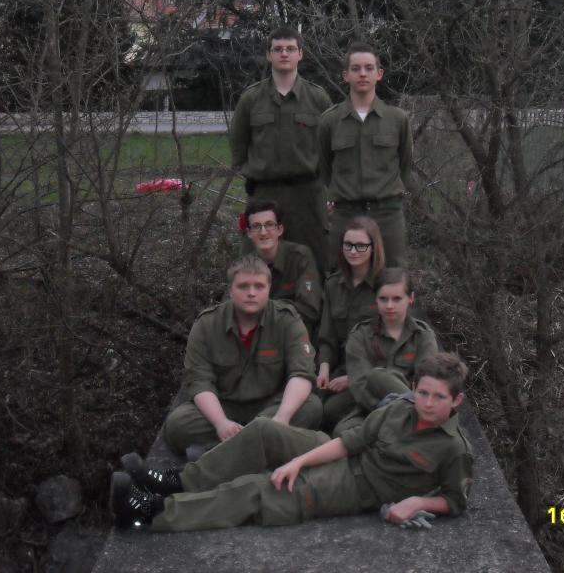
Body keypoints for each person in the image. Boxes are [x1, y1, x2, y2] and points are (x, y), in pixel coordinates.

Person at [110, 352, 473, 531]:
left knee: (260, 489)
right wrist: (299, 460)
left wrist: (417, 502)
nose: (427, 403)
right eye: (422, 392)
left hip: (356, 488)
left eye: (439, 397)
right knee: (264, 431)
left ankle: (151, 512)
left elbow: (456, 500)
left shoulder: (453, 448)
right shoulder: (399, 410)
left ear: (456, 400)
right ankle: (178, 481)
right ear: (413, 388)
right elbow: (349, 442)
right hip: (344, 457)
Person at [162, 255, 323, 455]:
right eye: (243, 286)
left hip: (271, 406)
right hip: (225, 407)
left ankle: (222, 452)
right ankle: (261, 446)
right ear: (230, 290)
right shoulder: (206, 324)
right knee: (178, 424)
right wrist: (221, 423)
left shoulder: (287, 320)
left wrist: (281, 418)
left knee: (312, 407)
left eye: (259, 286)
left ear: (269, 288)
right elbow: (199, 381)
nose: (251, 293)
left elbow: (302, 373)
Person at [231, 26, 332, 274]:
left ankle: (311, 299)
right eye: (277, 49)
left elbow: (331, 149)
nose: (284, 54)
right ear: (269, 55)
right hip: (264, 193)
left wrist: (328, 190)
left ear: (300, 54)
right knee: (255, 263)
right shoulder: (251, 99)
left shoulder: (318, 98)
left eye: (290, 49)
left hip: (308, 196)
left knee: (315, 261)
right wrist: (254, 174)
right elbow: (238, 147)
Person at [319, 42, 413, 268]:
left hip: (387, 215)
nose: (362, 74)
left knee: (392, 275)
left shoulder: (397, 119)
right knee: (340, 276)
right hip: (345, 214)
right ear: (346, 75)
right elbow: (324, 169)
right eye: (356, 68)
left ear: (379, 74)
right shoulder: (330, 121)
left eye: (369, 68)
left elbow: (404, 165)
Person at [332, 268, 439, 436]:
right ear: (376, 299)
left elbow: (426, 383)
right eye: (383, 299)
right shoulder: (360, 334)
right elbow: (359, 384)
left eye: (397, 299)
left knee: (379, 377)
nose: (389, 306)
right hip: (373, 407)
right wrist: (383, 408)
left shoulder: (423, 336)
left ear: (410, 298)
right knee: (342, 432)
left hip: (415, 410)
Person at [316, 216, 385, 431]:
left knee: (330, 411)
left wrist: (352, 378)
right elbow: (327, 336)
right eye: (348, 245)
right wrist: (324, 368)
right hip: (338, 368)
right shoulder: (333, 285)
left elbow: (392, 345)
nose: (353, 251)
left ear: (374, 247)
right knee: (310, 402)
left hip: (372, 372)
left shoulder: (385, 287)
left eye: (361, 246)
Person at [242, 199, 322, 337]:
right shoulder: (245, 265)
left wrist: (261, 308)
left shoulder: (300, 258)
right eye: (256, 226)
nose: (263, 232)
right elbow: (229, 306)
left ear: (280, 229)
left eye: (269, 225)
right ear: (249, 233)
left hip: (291, 334)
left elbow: (309, 309)